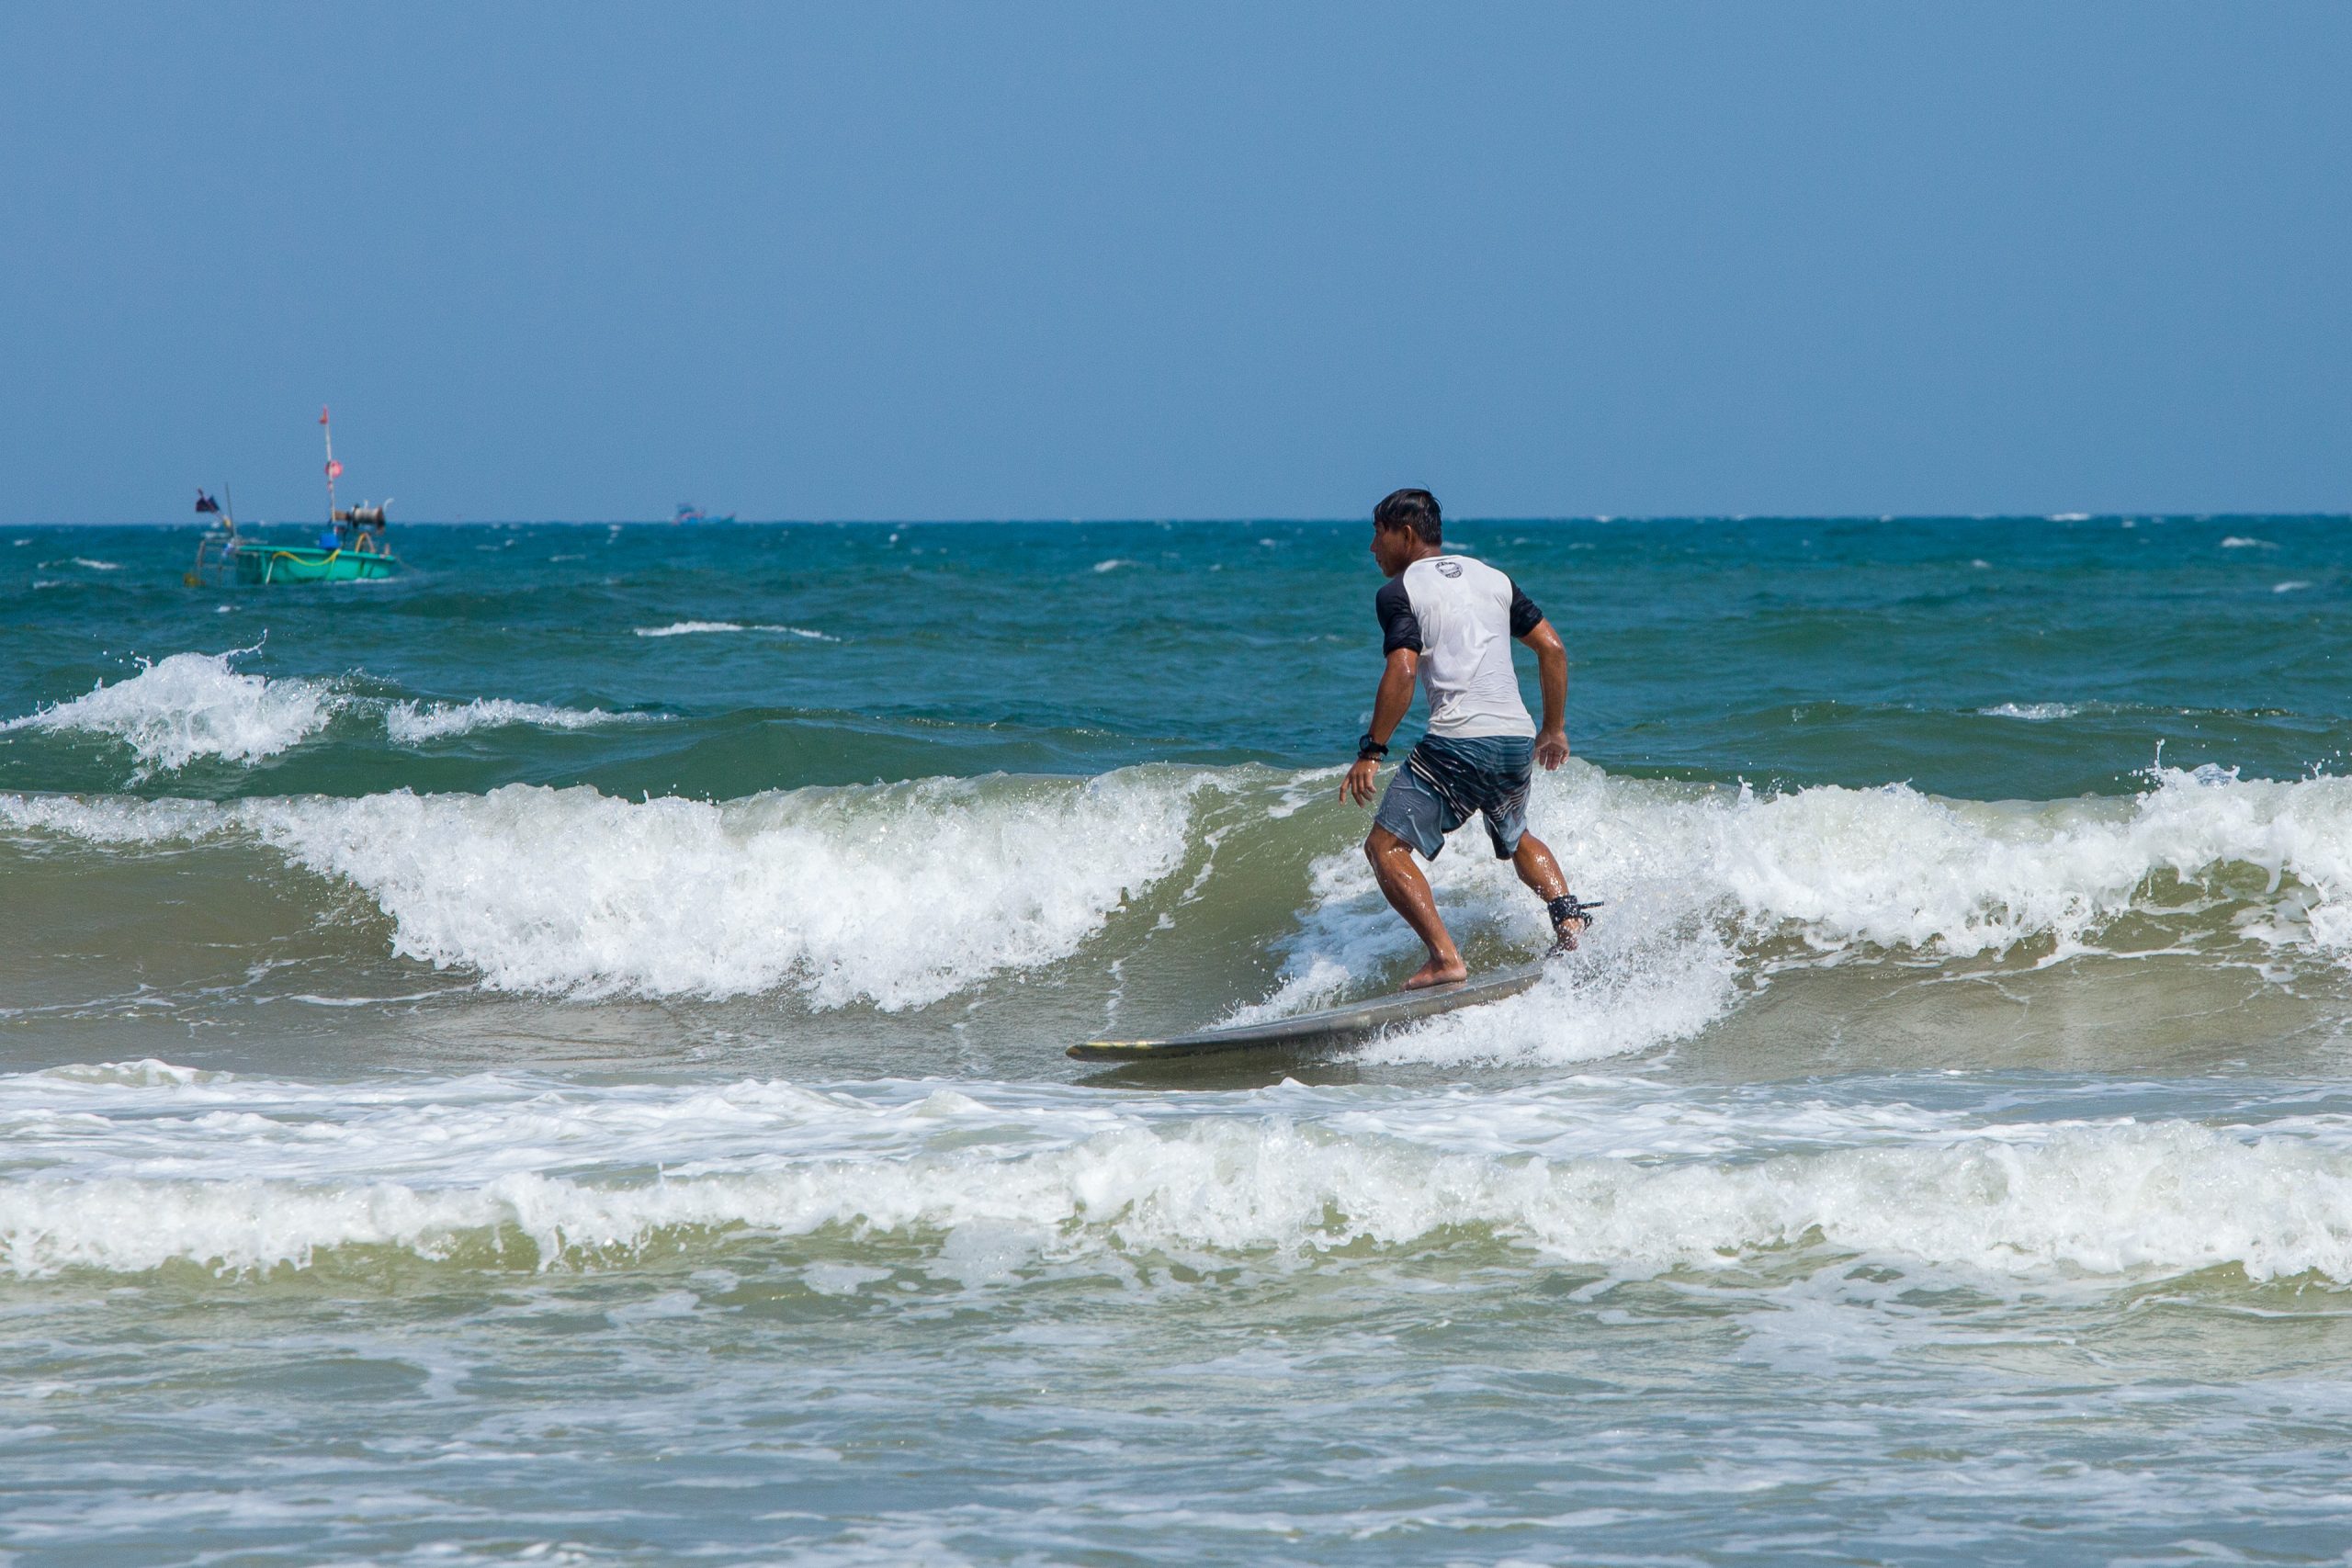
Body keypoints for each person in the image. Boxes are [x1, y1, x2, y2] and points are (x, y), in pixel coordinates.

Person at [1340, 488, 1597, 988]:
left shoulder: (1399, 591)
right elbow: (1552, 648)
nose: (1372, 548)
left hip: (1459, 740)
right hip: (1515, 737)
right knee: (1516, 835)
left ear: (1405, 534)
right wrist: (1553, 728)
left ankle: (1445, 959)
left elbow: (1403, 669)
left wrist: (1372, 750)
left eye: (1378, 534)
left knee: (1384, 848)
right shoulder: (1493, 578)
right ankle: (1569, 921)